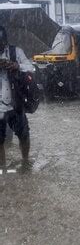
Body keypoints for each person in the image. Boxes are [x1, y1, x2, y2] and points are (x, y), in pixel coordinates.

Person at [0, 26, 35, 169]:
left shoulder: (16, 52)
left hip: (15, 103)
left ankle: (25, 162)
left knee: (24, 134)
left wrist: (16, 65)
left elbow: (30, 67)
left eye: (1, 42)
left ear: (5, 40)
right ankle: (2, 168)